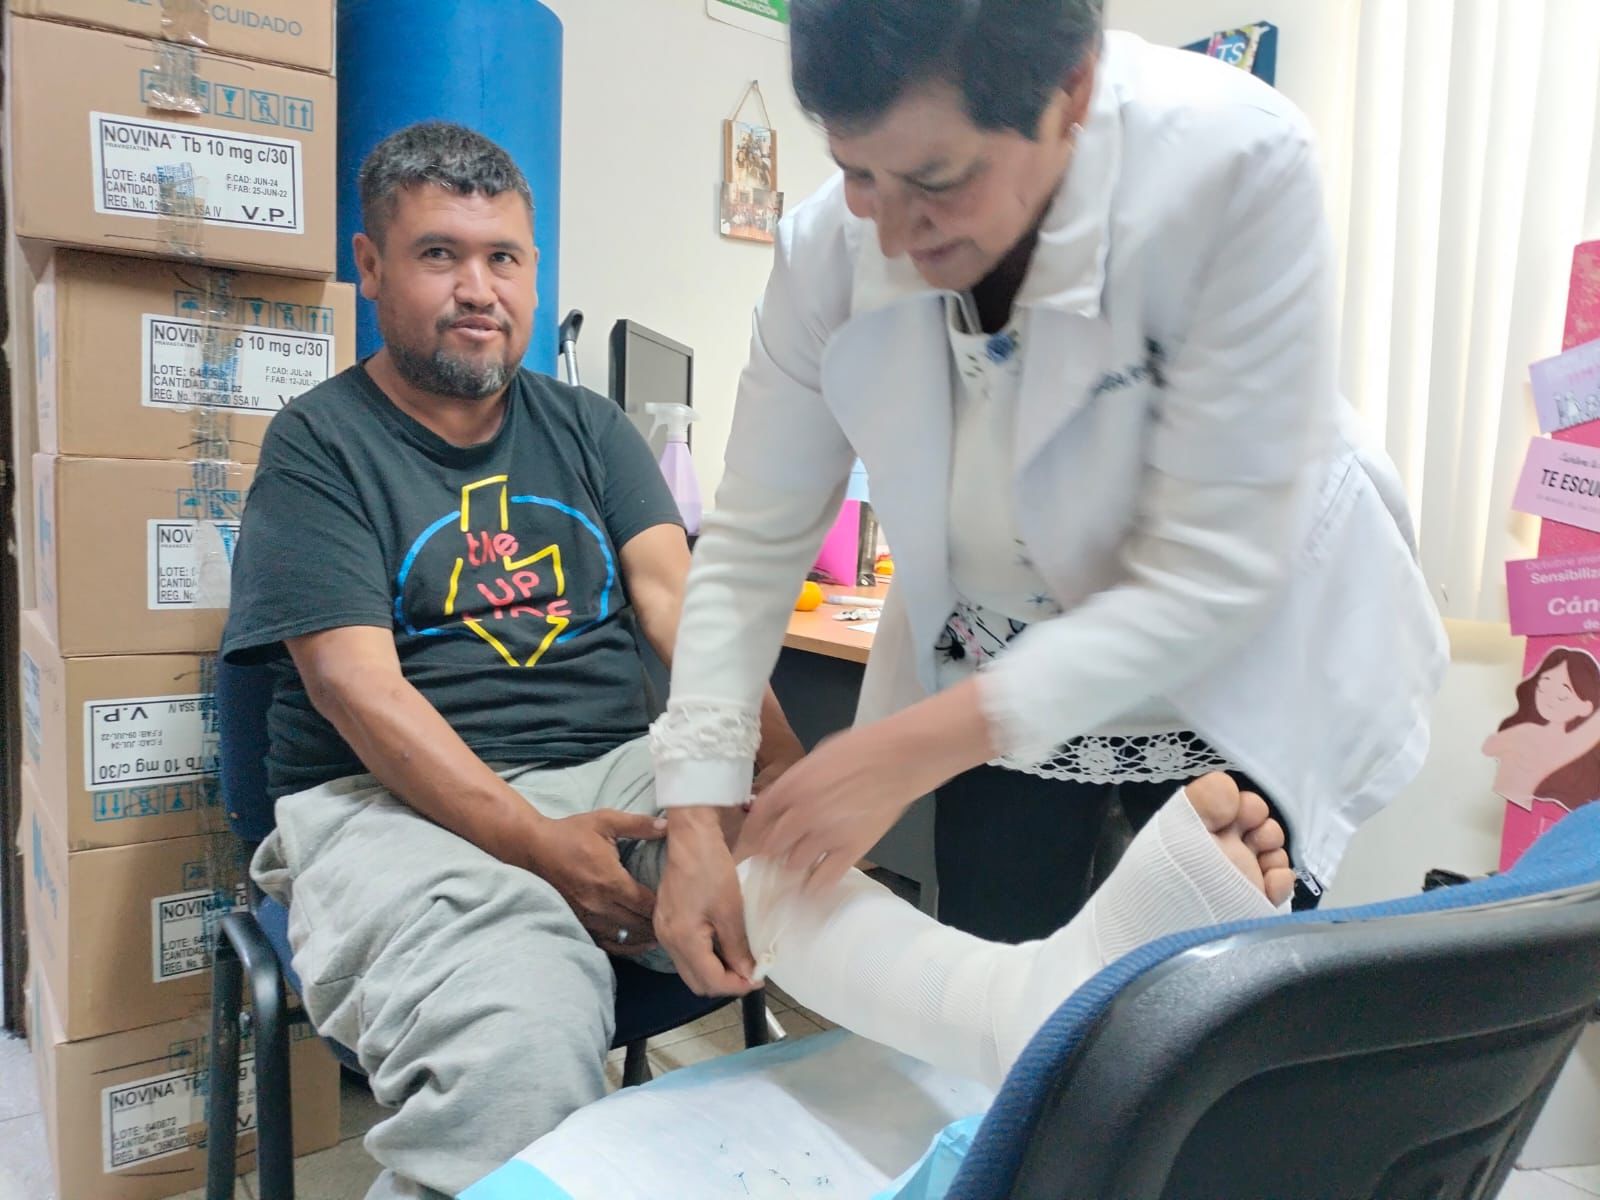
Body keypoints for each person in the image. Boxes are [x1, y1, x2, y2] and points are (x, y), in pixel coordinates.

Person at [651, 0, 1448, 994]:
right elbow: (751, 543)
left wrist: (901, 751)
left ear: (1069, 92)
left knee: (1197, 1018)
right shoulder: (826, 248)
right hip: (997, 655)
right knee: (1004, 997)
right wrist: (694, 807)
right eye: (858, 171)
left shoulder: (1231, 163)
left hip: (1233, 663)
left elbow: (1212, 569)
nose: (891, 232)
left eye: (936, 181)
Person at [222, 121, 808, 1200]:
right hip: (387, 807)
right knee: (518, 1050)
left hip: (614, 767)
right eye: (440, 254)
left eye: (504, 258)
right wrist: (542, 848)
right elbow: (359, 690)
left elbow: (684, 608)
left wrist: (778, 786)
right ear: (370, 267)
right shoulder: (318, 444)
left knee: (835, 905)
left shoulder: (588, 426)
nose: (478, 288)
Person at [1484, 647, 1600, 809]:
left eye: (1562, 696)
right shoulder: (1524, 732)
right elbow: (1489, 747)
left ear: (1586, 707)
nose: (1548, 699)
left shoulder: (1570, 746)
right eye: (1542, 687)